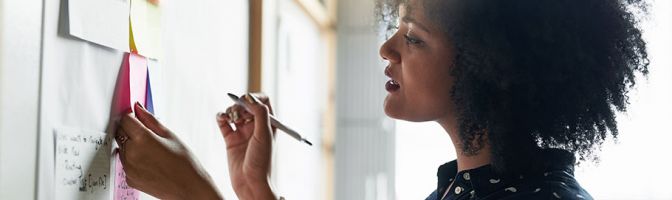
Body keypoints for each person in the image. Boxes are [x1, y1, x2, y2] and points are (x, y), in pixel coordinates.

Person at [114, 0, 649, 199]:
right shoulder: (466, 186)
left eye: (413, 37)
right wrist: (254, 189)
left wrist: (196, 197)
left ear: (493, 68)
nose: (386, 47)